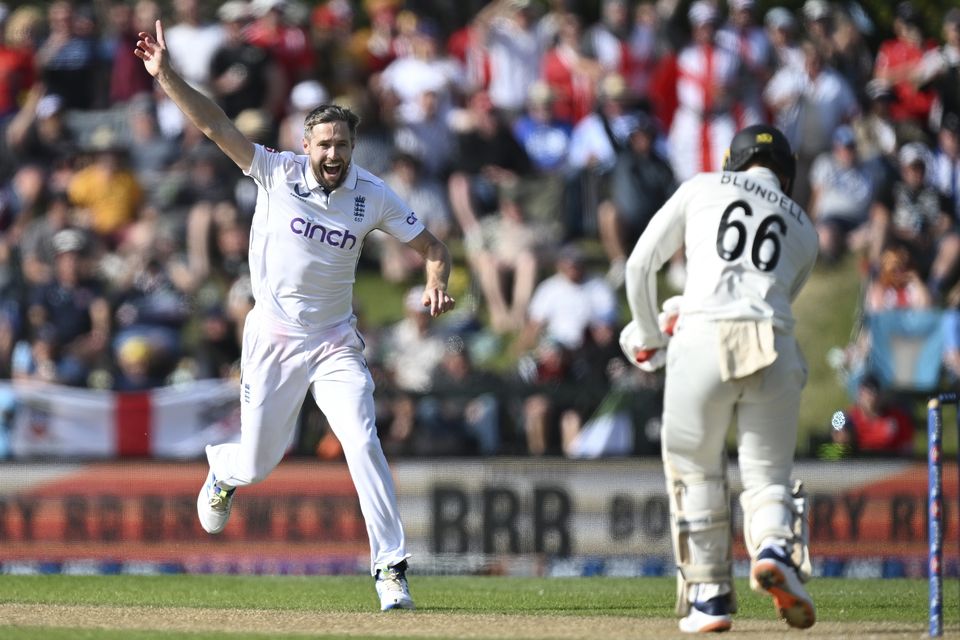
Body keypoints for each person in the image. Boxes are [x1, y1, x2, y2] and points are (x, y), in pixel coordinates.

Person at [135, 20, 456, 611]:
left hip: (335, 342)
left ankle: (390, 570)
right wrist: (168, 76)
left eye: (342, 145)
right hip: (273, 339)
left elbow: (433, 247)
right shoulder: (275, 171)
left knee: (362, 440)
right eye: (324, 144)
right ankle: (224, 473)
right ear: (306, 145)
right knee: (259, 461)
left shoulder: (371, 194)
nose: (333, 153)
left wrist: (437, 280)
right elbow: (213, 123)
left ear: (353, 149)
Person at [620, 124, 818, 632]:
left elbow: (640, 266)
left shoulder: (702, 186)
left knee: (695, 467)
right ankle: (775, 547)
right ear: (787, 176)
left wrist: (650, 335)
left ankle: (710, 596)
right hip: (775, 345)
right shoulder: (805, 230)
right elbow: (760, 295)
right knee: (767, 476)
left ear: (734, 161)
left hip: (703, 339)